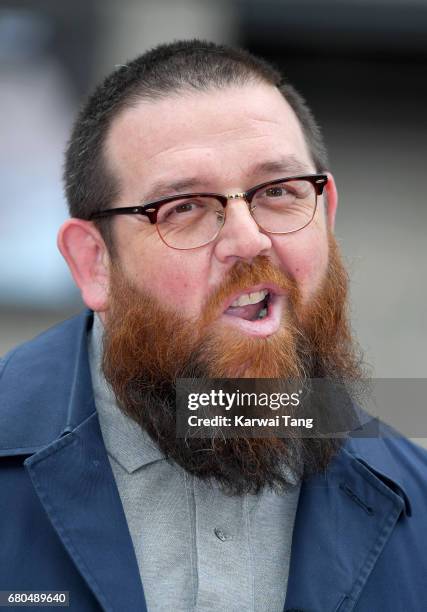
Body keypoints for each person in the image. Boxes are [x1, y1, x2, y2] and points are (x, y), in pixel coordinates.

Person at [1, 39, 426, 612]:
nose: (249, 239)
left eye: (278, 192)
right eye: (183, 206)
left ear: (325, 218)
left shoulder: (415, 500)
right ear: (93, 263)